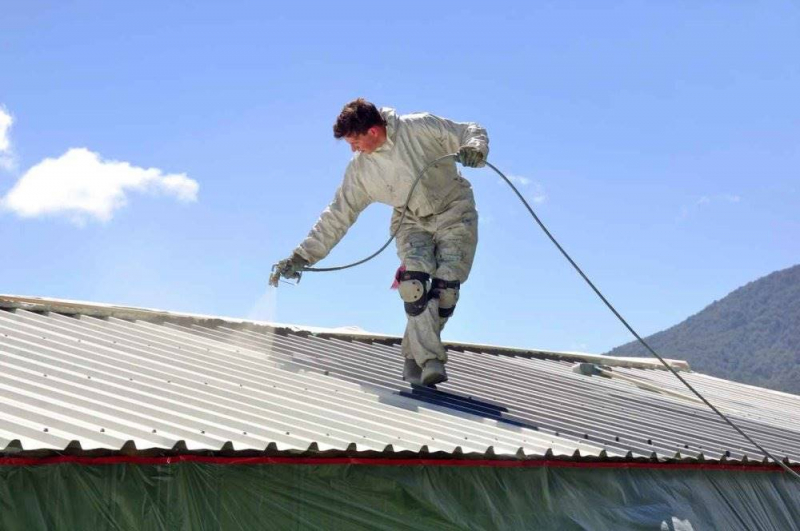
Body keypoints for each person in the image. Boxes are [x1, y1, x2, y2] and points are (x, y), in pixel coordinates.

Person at [271, 98, 488, 386]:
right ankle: (430, 360)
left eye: (355, 141)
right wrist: (302, 256)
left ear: (373, 131)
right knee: (414, 285)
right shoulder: (360, 171)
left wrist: (475, 148)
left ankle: (413, 355)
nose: (353, 149)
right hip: (409, 219)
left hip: (454, 209)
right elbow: (338, 214)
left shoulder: (419, 127)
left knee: (446, 289)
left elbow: (470, 130)